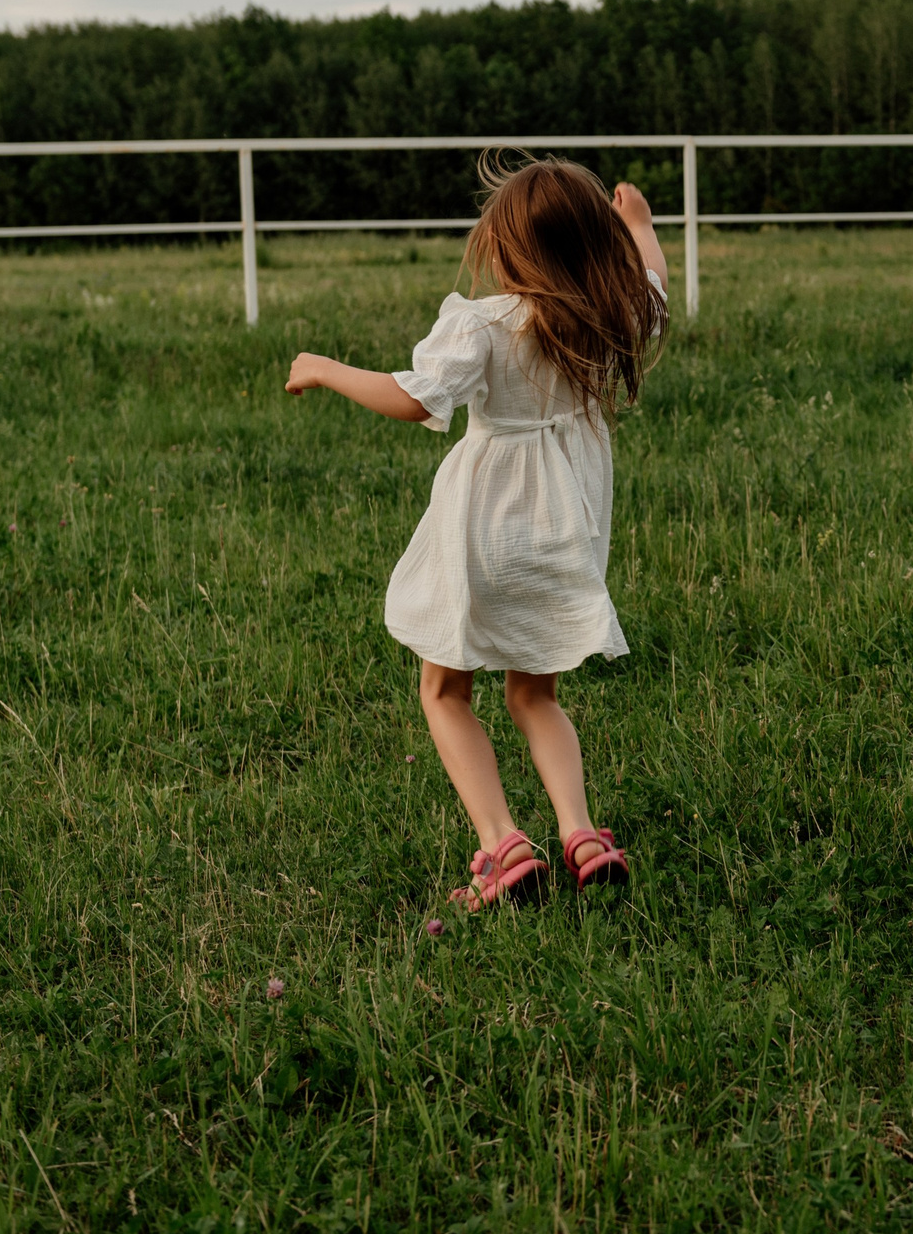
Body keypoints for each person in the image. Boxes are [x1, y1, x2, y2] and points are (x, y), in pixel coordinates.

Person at [286, 155, 669, 911]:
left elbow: (412, 397)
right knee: (535, 695)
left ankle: (504, 844)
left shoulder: (485, 325)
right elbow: (655, 279)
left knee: (443, 690)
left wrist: (324, 366)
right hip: (567, 530)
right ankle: (584, 836)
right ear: (594, 246)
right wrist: (641, 227)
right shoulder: (610, 309)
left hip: (485, 531)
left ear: (509, 250)